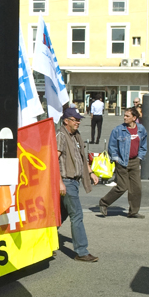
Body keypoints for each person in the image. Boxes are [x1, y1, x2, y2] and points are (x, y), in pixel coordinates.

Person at [57, 107, 99, 262]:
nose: (78, 122)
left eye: (79, 119)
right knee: (77, 215)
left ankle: (47, 243)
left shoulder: (76, 136)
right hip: (66, 181)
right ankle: (81, 252)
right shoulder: (61, 135)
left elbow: (81, 158)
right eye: (75, 120)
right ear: (66, 121)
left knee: (61, 214)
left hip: (73, 182)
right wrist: (60, 182)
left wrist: (90, 173)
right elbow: (54, 161)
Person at [99, 107, 147, 219]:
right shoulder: (118, 130)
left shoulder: (141, 129)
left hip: (134, 161)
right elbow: (112, 147)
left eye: (127, 116)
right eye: (124, 115)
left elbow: (143, 145)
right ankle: (104, 203)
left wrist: (139, 157)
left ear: (134, 118)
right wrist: (116, 159)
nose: (124, 117)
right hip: (121, 162)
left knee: (136, 188)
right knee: (122, 186)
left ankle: (133, 211)